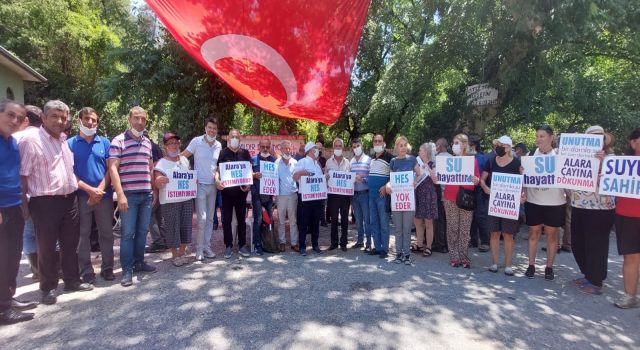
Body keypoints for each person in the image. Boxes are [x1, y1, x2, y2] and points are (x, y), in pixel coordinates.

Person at [20, 100, 94, 304]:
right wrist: (24, 205)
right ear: (43, 118)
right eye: (54, 116)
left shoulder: (63, 140)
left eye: (63, 117)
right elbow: (23, 176)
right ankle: (48, 287)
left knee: (71, 243)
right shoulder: (31, 141)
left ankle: (71, 280)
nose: (60, 121)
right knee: (47, 246)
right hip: (44, 201)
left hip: (69, 199)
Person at [108, 106, 157, 287]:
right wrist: (120, 195)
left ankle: (139, 262)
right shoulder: (118, 141)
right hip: (128, 195)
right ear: (129, 119)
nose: (140, 122)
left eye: (143, 119)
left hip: (145, 194)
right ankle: (127, 269)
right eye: (136, 118)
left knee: (143, 232)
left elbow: (150, 167)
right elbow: (113, 168)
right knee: (128, 234)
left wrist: (153, 191)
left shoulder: (147, 142)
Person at [67, 107, 115, 284]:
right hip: (81, 196)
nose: (90, 122)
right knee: (83, 234)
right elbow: (69, 172)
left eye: (94, 120)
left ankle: (108, 268)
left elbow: (111, 169)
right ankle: (86, 270)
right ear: (79, 120)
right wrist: (89, 190)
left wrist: (99, 190)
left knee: (107, 233)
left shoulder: (104, 142)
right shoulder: (70, 143)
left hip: (104, 196)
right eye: (87, 118)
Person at [0, 99, 36, 325]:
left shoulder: (12, 142)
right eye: (10, 115)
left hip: (14, 206)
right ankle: (3, 310)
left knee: (12, 257)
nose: (14, 121)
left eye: (19, 118)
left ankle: (7, 299)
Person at [569, 125, 614, 295]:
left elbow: (615, 180)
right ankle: (589, 275)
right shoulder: (577, 155)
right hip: (579, 205)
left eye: (599, 138)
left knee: (596, 245)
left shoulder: (612, 158)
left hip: (601, 209)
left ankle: (596, 282)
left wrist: (603, 162)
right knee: (579, 243)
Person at [524, 124, 566, 281]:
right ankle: (531, 265)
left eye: (541, 136)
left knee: (552, 235)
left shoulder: (560, 156)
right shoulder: (530, 155)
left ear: (551, 137)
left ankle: (549, 267)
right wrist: (523, 191)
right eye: (537, 136)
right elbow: (524, 179)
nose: (538, 139)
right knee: (533, 233)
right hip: (534, 201)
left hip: (555, 203)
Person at [480, 136, 521, 276]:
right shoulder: (490, 161)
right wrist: (485, 188)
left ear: (509, 147)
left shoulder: (517, 163)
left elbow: (523, 182)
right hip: (494, 203)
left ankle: (509, 265)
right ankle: (494, 263)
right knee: (494, 233)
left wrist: (522, 194)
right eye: (497, 144)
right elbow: (482, 179)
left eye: (502, 145)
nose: (499, 147)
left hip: (509, 205)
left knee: (508, 234)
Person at [182, 117, 222, 261]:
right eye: (209, 127)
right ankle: (198, 250)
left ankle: (207, 247)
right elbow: (183, 156)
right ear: (205, 128)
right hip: (199, 185)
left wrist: (217, 179)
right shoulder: (196, 141)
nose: (212, 130)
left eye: (214, 128)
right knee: (202, 219)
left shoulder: (218, 145)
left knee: (211, 219)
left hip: (213, 186)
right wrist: (187, 171)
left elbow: (217, 166)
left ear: (217, 130)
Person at [438, 133, 480, 268]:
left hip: (466, 199)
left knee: (465, 230)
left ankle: (464, 257)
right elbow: (439, 178)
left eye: (457, 143)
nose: (454, 145)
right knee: (452, 228)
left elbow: (477, 180)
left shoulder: (472, 161)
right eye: (453, 143)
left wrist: (476, 180)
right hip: (449, 198)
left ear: (464, 145)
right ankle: (454, 256)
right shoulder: (448, 161)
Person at [154, 132, 194, 267]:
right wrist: (159, 180)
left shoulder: (184, 160)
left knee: (185, 225)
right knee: (172, 227)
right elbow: (156, 180)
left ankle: (182, 252)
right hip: (170, 201)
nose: (174, 146)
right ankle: (174, 254)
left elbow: (189, 175)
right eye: (170, 143)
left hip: (186, 199)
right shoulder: (161, 163)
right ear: (165, 146)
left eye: (176, 143)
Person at [13, 105, 42, 280]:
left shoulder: (15, 138)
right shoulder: (45, 138)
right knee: (45, 232)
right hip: (41, 195)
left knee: (28, 233)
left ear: (26, 120)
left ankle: (38, 270)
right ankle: (47, 269)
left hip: (18, 195)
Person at [613, 127, 640, 308]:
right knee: (630, 257)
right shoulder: (621, 163)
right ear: (633, 142)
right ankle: (630, 296)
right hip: (626, 215)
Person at [215, 129, 252, 259]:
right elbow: (218, 170)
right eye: (232, 136)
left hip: (241, 194)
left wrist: (248, 184)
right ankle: (228, 246)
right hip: (226, 193)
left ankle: (242, 245)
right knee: (227, 220)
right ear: (228, 139)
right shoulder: (223, 153)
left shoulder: (245, 153)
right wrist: (217, 180)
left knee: (241, 220)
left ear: (240, 139)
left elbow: (249, 170)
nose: (234, 138)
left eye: (237, 136)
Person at [386, 136, 420, 265]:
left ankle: (407, 254)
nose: (403, 147)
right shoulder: (393, 161)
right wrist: (388, 185)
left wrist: (415, 182)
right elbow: (391, 179)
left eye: (405, 145)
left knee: (406, 229)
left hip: (408, 200)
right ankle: (398, 254)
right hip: (396, 200)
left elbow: (419, 174)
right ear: (397, 147)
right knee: (398, 229)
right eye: (401, 145)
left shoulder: (412, 160)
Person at [292, 141, 324, 256]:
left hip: (316, 198)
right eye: (316, 148)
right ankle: (302, 246)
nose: (317, 151)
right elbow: (294, 177)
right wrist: (302, 172)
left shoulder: (317, 165)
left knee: (315, 222)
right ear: (311, 150)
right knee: (303, 222)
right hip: (305, 198)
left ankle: (315, 245)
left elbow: (321, 180)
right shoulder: (302, 161)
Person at [369, 134, 394, 258]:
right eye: (375, 141)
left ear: (384, 143)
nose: (377, 143)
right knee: (374, 222)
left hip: (383, 196)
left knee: (384, 222)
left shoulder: (390, 158)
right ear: (373, 143)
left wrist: (385, 186)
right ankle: (377, 247)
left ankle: (384, 248)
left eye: (380, 141)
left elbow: (394, 176)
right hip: (371, 196)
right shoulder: (371, 159)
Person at [251, 139, 276, 256]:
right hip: (256, 195)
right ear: (259, 147)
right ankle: (257, 245)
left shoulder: (274, 161)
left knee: (268, 220)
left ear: (270, 147)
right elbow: (247, 175)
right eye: (263, 147)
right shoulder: (253, 160)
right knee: (258, 220)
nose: (265, 149)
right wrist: (254, 175)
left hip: (269, 196)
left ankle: (268, 244)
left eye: (267, 147)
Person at [325, 138, 351, 252]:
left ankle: (344, 243)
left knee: (345, 219)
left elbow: (350, 178)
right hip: (333, 195)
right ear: (333, 148)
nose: (338, 148)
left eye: (340, 146)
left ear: (343, 148)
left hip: (345, 196)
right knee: (334, 219)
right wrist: (326, 176)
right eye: (336, 146)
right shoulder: (328, 162)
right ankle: (334, 243)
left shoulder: (347, 162)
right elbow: (326, 176)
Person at [413, 142, 438, 257]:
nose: (419, 152)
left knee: (428, 221)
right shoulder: (416, 163)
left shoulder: (433, 164)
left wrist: (429, 169)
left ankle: (428, 246)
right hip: (418, 193)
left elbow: (436, 181)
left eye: (420, 150)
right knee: (418, 220)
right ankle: (419, 244)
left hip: (429, 194)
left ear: (426, 152)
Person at [145, 131, 167, 253]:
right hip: (159, 184)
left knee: (149, 213)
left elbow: (153, 169)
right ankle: (165, 240)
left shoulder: (148, 147)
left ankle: (158, 241)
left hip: (153, 184)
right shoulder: (156, 147)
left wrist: (154, 189)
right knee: (159, 214)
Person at [276, 140, 298, 252]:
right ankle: (282, 242)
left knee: (293, 220)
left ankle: (294, 243)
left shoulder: (295, 163)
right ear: (281, 149)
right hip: (280, 196)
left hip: (293, 195)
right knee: (281, 221)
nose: (287, 150)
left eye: (289, 148)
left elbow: (299, 178)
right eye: (285, 148)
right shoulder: (276, 163)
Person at [350, 138, 371, 251]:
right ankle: (360, 241)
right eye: (354, 147)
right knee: (358, 219)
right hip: (354, 194)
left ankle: (368, 242)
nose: (356, 148)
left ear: (362, 146)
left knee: (367, 219)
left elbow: (371, 176)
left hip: (365, 194)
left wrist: (363, 178)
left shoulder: (368, 160)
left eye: (358, 145)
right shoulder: (351, 161)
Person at [469, 137, 490, 252]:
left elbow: (485, 175)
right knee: (470, 216)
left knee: (480, 216)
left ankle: (485, 241)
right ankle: (473, 240)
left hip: (480, 190)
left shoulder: (483, 158)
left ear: (473, 146)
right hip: (468, 190)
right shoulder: (464, 158)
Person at [432, 138, 450, 253]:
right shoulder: (452, 158)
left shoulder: (437, 159)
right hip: (450, 193)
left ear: (440, 146)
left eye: (436, 145)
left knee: (439, 220)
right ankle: (448, 244)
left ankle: (440, 244)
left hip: (440, 192)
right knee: (448, 220)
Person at [316, 139, 329, 227]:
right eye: (317, 148)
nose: (319, 150)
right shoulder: (310, 159)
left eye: (320, 148)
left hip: (322, 184)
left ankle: (323, 220)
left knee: (322, 203)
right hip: (312, 185)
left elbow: (326, 170)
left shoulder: (324, 160)